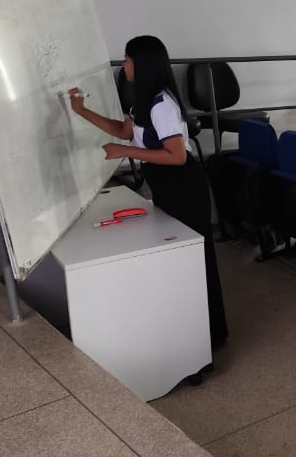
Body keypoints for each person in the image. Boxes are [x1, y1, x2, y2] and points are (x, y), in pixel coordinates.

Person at [69, 35, 227, 350]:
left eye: (127, 59)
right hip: (166, 184)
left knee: (194, 258)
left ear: (141, 64)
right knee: (179, 258)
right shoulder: (141, 100)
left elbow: (177, 156)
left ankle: (210, 335)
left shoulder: (162, 104)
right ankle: (189, 328)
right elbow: (123, 130)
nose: (124, 65)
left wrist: (125, 151)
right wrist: (81, 110)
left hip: (183, 186)